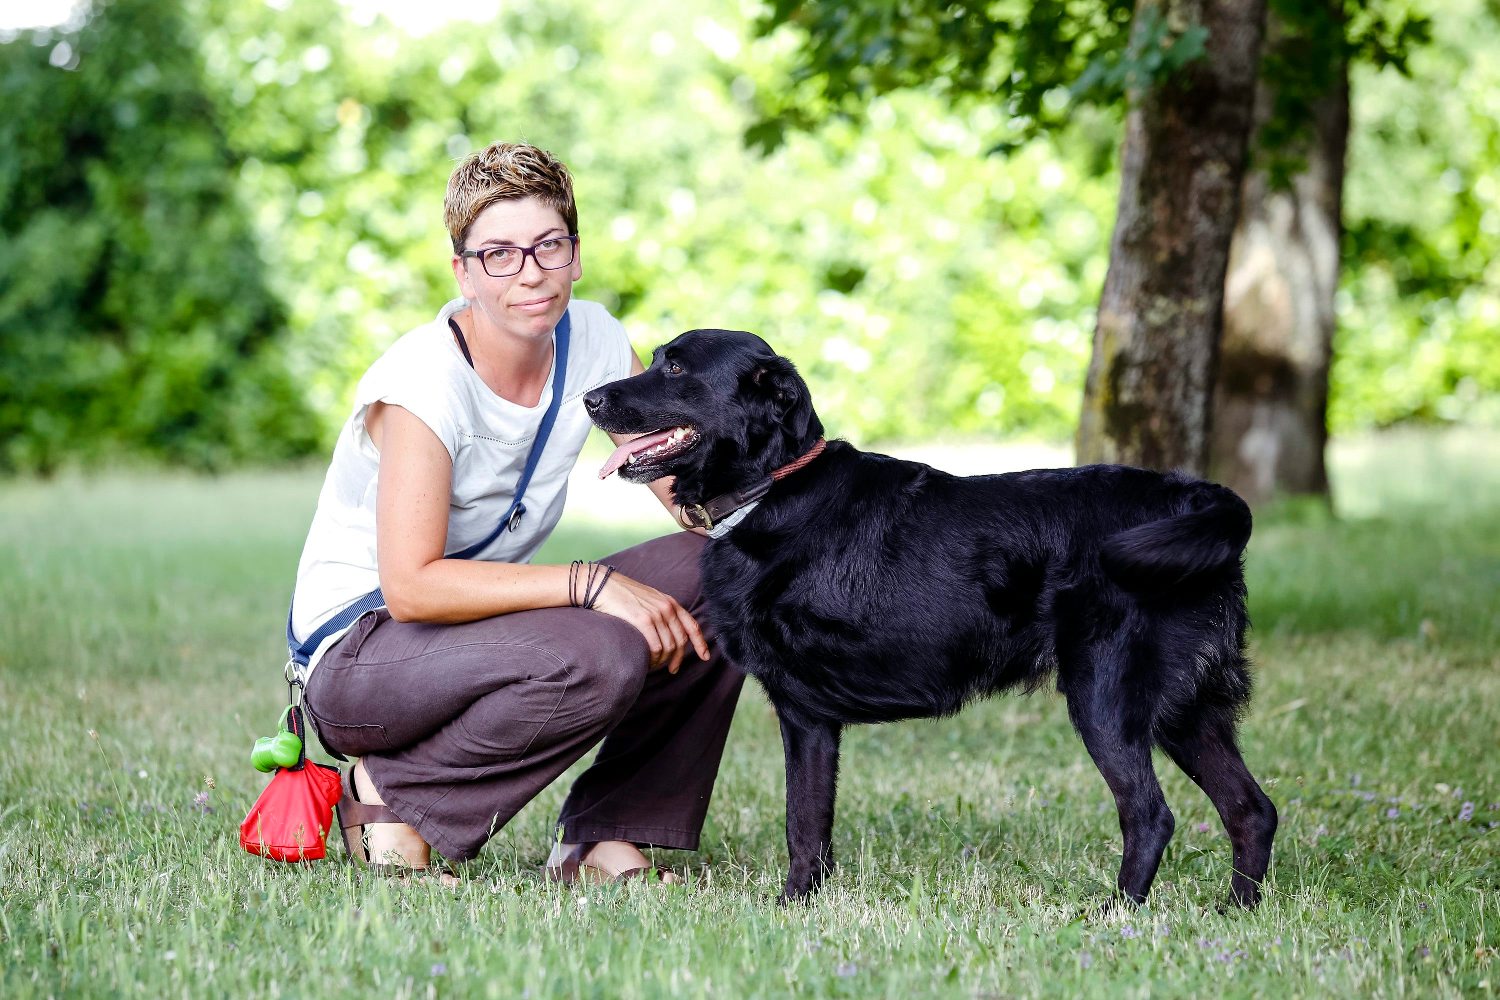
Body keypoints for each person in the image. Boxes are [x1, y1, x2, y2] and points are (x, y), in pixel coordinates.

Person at [289, 141, 744, 883]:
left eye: (548, 247)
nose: (530, 273)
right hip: (363, 657)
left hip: (475, 631)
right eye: (498, 254)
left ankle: (603, 835)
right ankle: (388, 795)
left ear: (575, 255)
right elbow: (412, 587)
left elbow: (688, 503)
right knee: (600, 654)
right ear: (463, 272)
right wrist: (592, 586)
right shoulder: (422, 383)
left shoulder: (594, 337)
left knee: (726, 571)